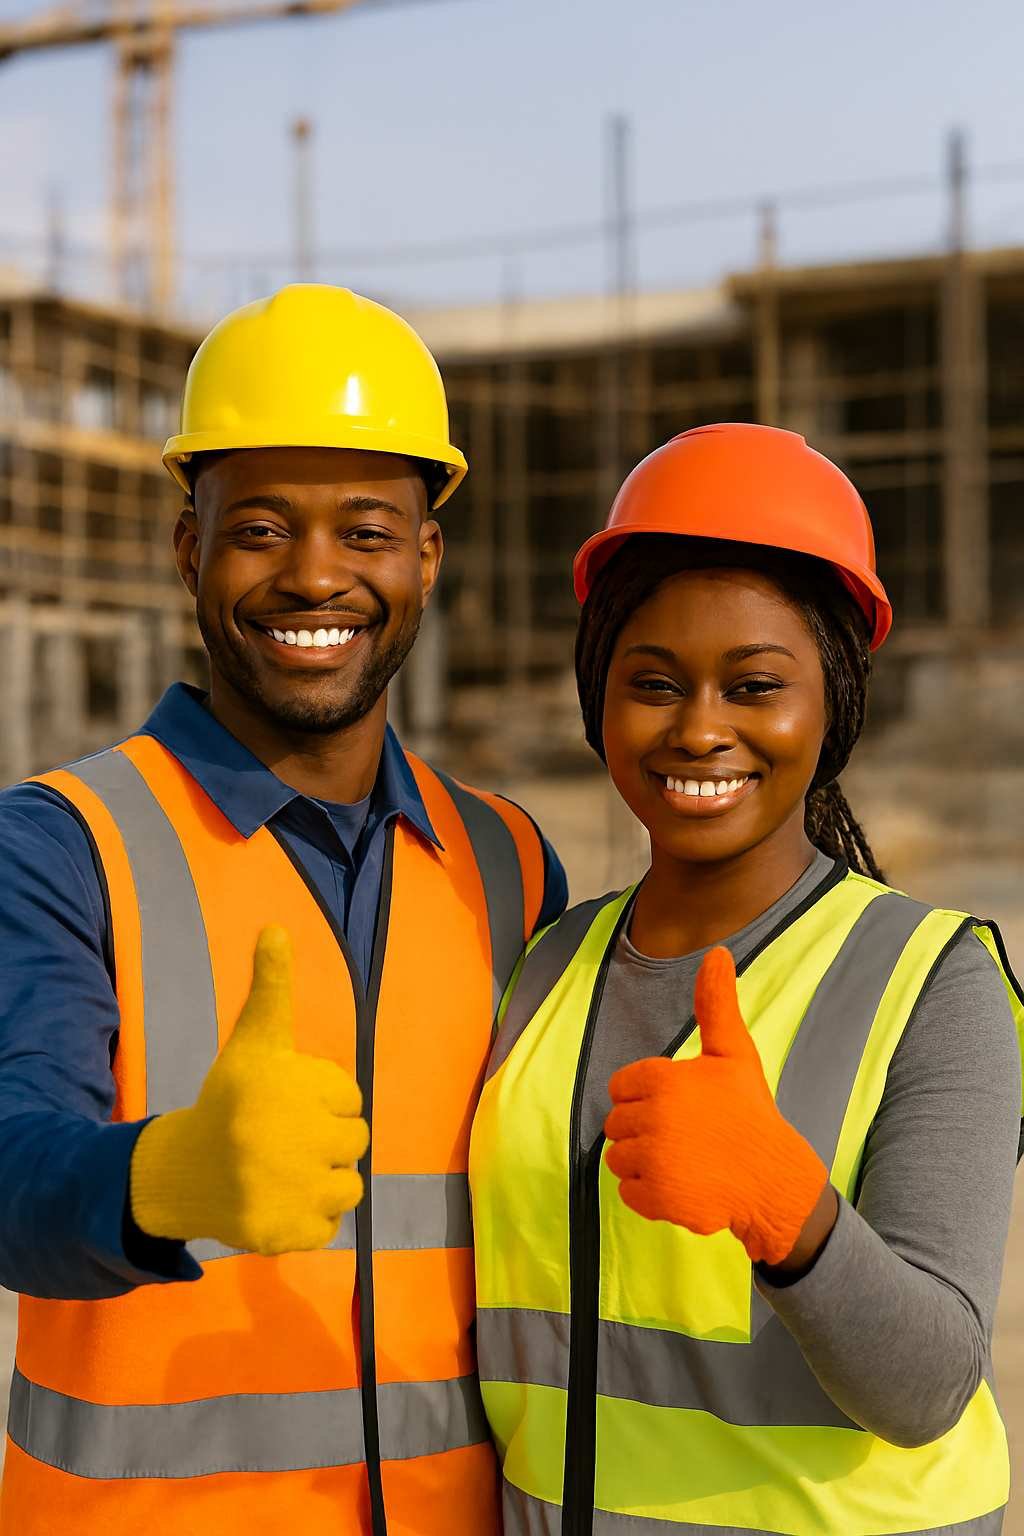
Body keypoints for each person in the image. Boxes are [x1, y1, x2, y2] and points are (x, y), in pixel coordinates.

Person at [0, 284, 566, 1536]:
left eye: (366, 532)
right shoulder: (59, 844)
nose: (315, 576)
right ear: (188, 548)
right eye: (260, 529)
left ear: (425, 556)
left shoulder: (511, 862)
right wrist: (159, 1179)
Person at [469, 422, 1024, 1536]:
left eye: (755, 684)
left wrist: (791, 1213)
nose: (700, 728)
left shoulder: (934, 982)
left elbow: (925, 1390)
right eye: (654, 682)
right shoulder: (544, 969)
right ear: (597, 699)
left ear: (834, 703)